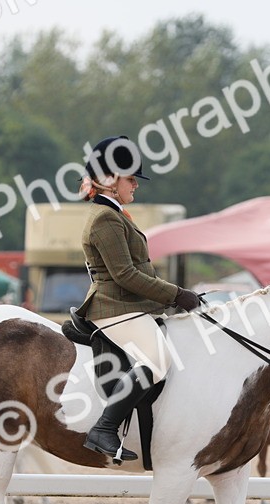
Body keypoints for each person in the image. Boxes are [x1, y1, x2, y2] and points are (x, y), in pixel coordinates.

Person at [76, 135, 200, 461]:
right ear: (110, 181)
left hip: (128, 305)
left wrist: (174, 297)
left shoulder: (116, 215)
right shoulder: (105, 218)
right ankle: (104, 428)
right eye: (131, 178)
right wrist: (177, 294)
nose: (136, 185)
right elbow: (125, 275)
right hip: (112, 306)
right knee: (158, 360)